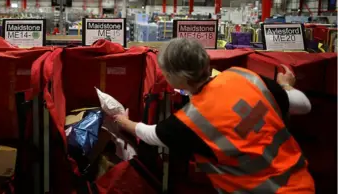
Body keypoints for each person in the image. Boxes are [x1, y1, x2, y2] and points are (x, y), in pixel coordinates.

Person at [112, 38, 315, 193]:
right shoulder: (243, 76)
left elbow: (150, 134)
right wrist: (286, 85)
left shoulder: (190, 121)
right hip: (301, 183)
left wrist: (123, 121)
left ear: (175, 78)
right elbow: (303, 105)